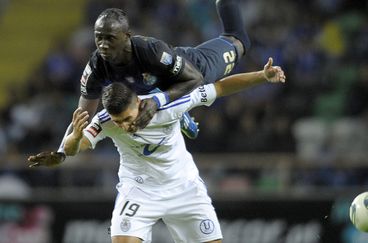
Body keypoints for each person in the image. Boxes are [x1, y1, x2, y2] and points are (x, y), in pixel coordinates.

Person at [28, 58, 285, 243]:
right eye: (119, 122)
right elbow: (75, 149)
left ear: (138, 103)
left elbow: (219, 87)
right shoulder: (104, 121)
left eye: (127, 118)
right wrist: (72, 139)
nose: (125, 126)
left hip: (184, 189)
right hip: (139, 192)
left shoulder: (169, 105)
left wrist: (262, 76)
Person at [28, 0, 250, 165]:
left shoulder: (150, 50)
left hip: (187, 68)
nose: (103, 44)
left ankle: (179, 110)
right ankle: (176, 110)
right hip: (144, 90)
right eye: (98, 37)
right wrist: (61, 152)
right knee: (135, 90)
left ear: (126, 36)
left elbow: (195, 79)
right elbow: (81, 119)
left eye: (110, 38)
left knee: (238, 40)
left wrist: (156, 101)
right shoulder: (96, 67)